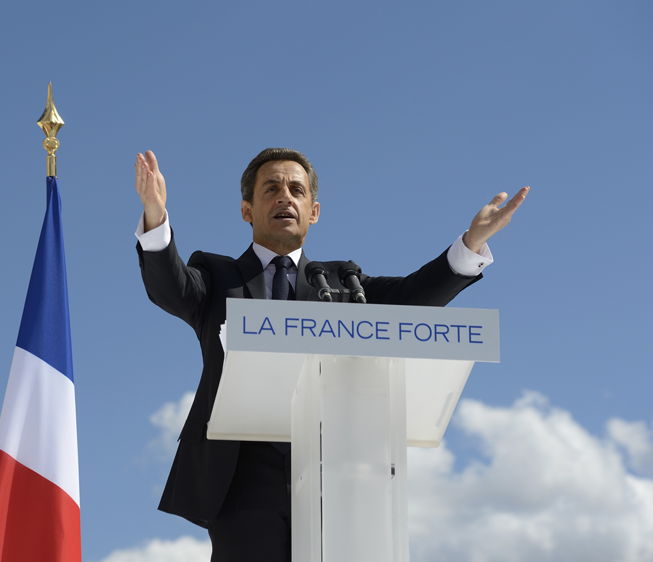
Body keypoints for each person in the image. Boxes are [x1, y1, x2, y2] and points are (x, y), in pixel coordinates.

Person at [134, 147, 528, 561]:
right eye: (271, 188)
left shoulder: (342, 282)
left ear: (314, 210)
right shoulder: (217, 276)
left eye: (296, 189)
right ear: (247, 210)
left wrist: (470, 244)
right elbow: (171, 287)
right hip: (239, 478)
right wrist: (156, 219)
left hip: (333, 473)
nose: (285, 197)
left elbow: (412, 298)